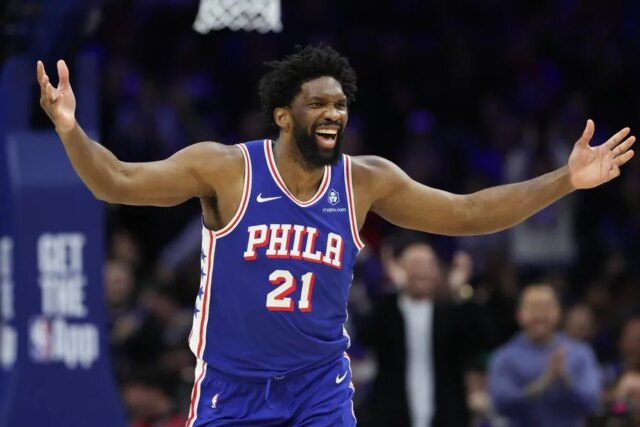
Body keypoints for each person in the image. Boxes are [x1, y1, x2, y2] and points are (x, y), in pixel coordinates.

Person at [36, 45, 634, 426]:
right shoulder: (226, 168)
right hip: (232, 387)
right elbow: (116, 181)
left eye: (341, 104)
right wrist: (69, 129)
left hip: (319, 386)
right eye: (318, 103)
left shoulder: (364, 180)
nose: (334, 113)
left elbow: (469, 213)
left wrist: (565, 179)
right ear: (282, 115)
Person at [357, 234, 494, 427]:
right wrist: (393, 288)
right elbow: (366, 336)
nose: (422, 270)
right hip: (392, 416)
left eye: (428, 264)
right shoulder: (389, 310)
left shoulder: (450, 313)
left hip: (446, 416)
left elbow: (483, 338)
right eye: (415, 264)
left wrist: (459, 292)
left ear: (437, 270)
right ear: (401, 268)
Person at [488, 284, 601, 427]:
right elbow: (500, 405)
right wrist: (541, 385)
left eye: (546, 308)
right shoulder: (504, 357)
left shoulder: (580, 353)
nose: (540, 315)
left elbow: (591, 404)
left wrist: (564, 380)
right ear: (520, 315)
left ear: (558, 313)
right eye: (533, 308)